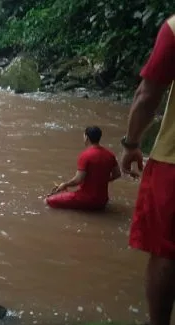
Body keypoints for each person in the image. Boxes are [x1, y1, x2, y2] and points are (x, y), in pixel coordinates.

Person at [121, 15, 175, 325]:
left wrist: (130, 144)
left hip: (172, 159)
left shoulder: (174, 28)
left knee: (167, 251)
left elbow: (147, 95)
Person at [45, 126, 121, 210]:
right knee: (68, 194)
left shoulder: (86, 155)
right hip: (103, 201)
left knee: (48, 201)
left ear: (86, 137)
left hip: (86, 199)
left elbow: (78, 180)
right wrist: (102, 180)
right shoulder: (110, 154)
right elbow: (117, 174)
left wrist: (65, 184)